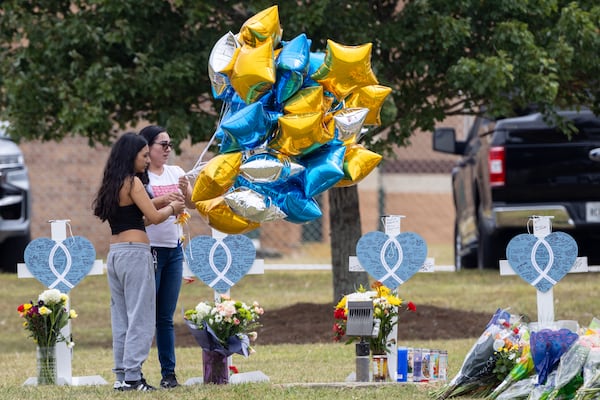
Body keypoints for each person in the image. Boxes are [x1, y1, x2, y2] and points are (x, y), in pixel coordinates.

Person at [92, 132, 185, 391]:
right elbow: (154, 218)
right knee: (141, 317)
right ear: (131, 156)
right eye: (144, 155)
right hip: (136, 254)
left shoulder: (114, 182)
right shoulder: (133, 182)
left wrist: (163, 200)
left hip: (117, 253)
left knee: (121, 317)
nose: (147, 160)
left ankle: (121, 375)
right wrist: (173, 209)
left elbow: (138, 214)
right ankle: (134, 377)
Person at [139, 125, 195, 389]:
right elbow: (140, 216)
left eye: (170, 144)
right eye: (162, 144)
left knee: (165, 316)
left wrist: (186, 189)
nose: (168, 149)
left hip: (174, 249)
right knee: (143, 315)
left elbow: (192, 204)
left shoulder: (177, 172)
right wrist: (166, 202)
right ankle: (132, 372)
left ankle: (169, 374)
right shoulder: (141, 178)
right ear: (147, 148)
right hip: (149, 249)